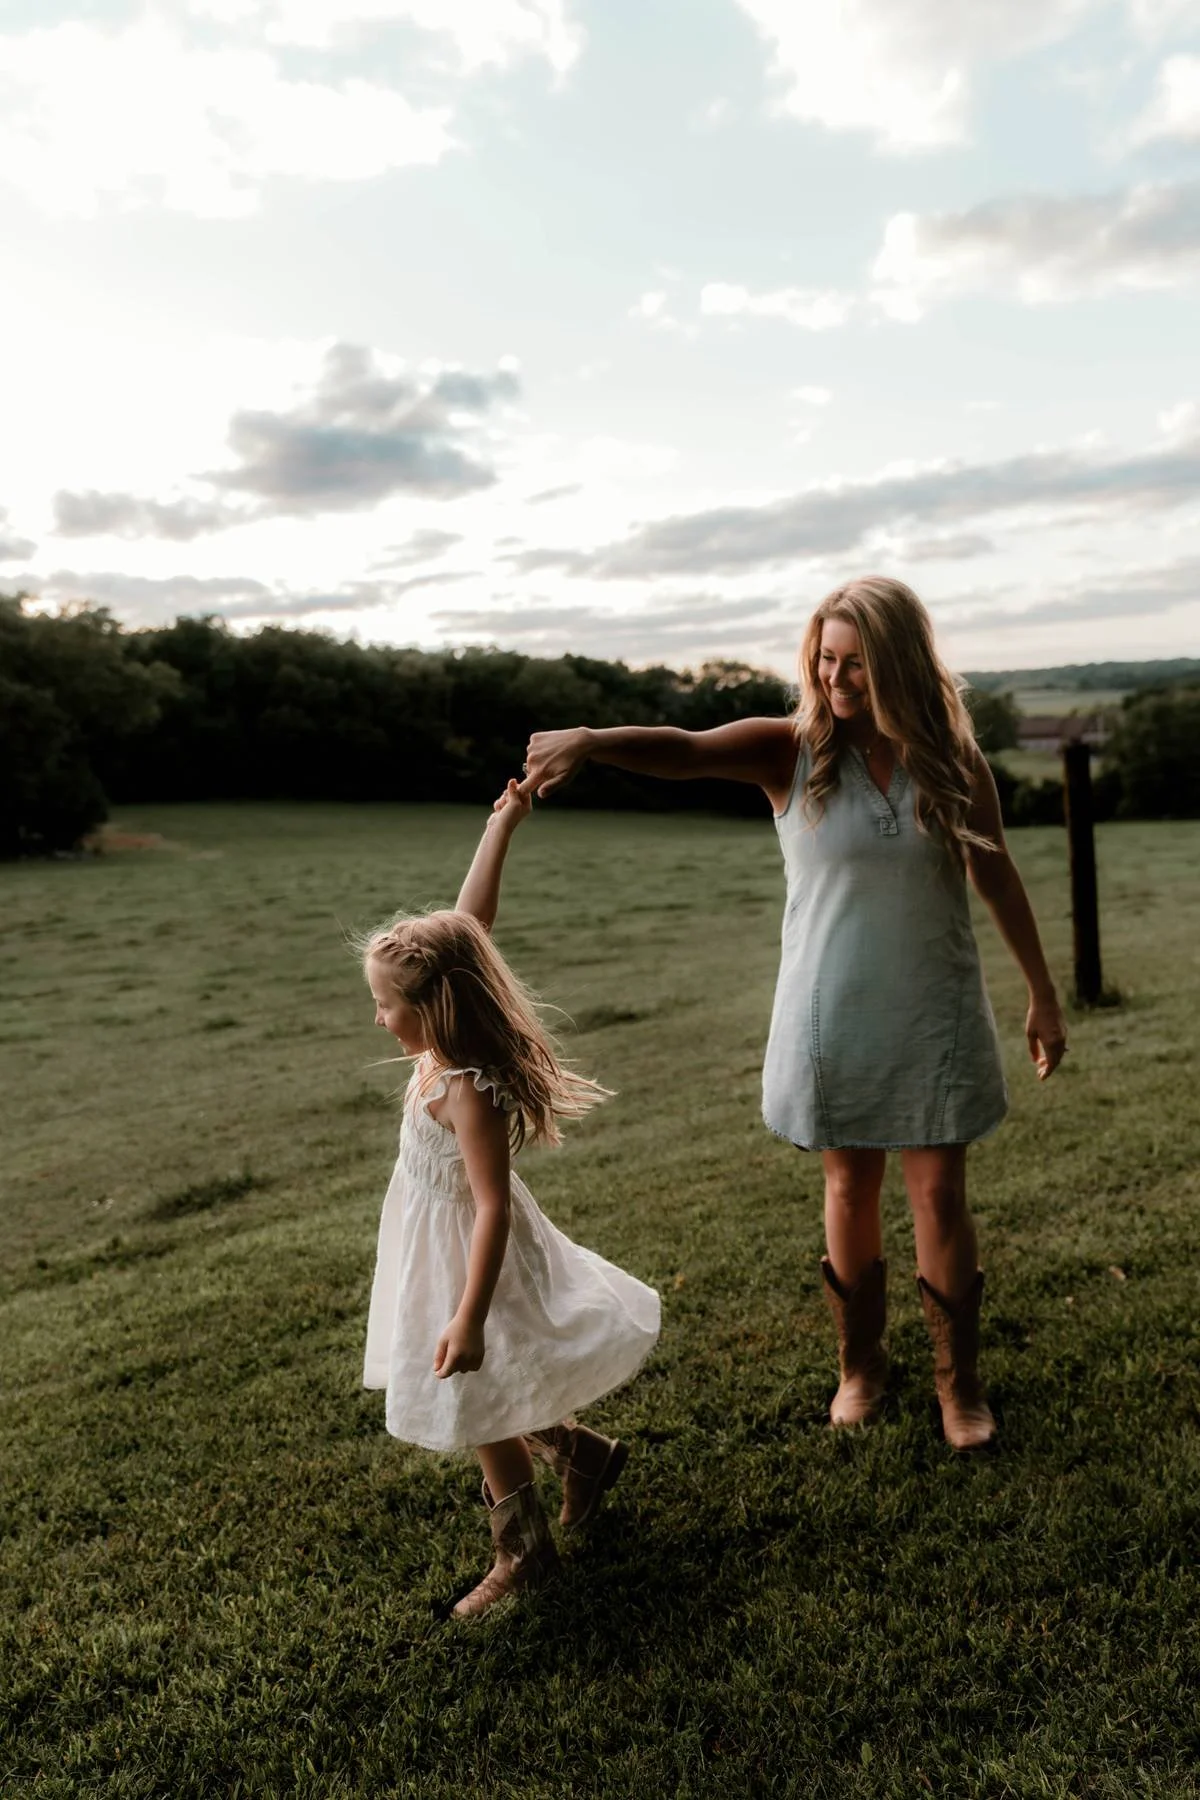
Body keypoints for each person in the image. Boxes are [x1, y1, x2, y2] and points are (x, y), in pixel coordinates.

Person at [517, 576, 1068, 1452]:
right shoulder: (791, 751)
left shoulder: (954, 760)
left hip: (938, 1008)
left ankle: (958, 1388)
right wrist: (592, 739)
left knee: (942, 1194)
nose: (838, 677)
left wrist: (1041, 991)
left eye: (857, 662)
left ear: (899, 664)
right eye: (827, 658)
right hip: (831, 1011)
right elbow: (685, 749)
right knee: (848, 1185)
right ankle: (860, 1369)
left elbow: (994, 873)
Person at [358, 782, 660, 1616]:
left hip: (472, 1255)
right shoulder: (440, 1035)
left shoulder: (467, 1090)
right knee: (485, 1390)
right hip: (434, 1244)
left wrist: (468, 1312)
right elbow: (468, 928)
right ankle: (581, 1455)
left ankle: (522, 1552)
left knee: (475, 1389)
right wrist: (502, 823)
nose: (378, 1018)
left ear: (434, 1006)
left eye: (386, 1005)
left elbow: (489, 1204)